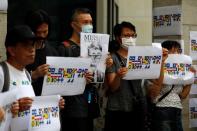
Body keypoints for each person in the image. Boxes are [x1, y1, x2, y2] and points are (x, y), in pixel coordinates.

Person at [104, 21, 168, 131]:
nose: (131, 38)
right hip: (117, 110)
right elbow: (113, 88)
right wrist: (119, 75)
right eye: (126, 35)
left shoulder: (141, 56)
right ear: (118, 38)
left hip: (138, 109)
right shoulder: (111, 58)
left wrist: (161, 62)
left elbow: (157, 81)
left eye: (133, 35)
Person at [58, 8, 112, 131]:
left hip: (90, 102)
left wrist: (105, 65)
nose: (89, 25)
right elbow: (59, 80)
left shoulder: (95, 46)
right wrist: (79, 78)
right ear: (73, 24)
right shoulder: (65, 47)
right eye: (85, 22)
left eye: (91, 22)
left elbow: (98, 79)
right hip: (73, 107)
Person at [146, 40, 192, 131]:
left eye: (178, 51)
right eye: (173, 51)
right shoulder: (154, 69)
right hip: (161, 110)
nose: (177, 54)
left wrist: (190, 78)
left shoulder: (180, 71)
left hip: (177, 110)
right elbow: (153, 94)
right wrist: (162, 63)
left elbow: (183, 95)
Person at [0, 25, 36, 130]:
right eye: (26, 45)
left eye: (33, 45)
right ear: (11, 50)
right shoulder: (2, 72)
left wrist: (52, 106)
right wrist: (12, 108)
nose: (32, 49)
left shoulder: (27, 74)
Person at [25, 9, 59, 96]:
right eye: (38, 32)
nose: (42, 36)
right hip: (26, 101)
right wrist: (34, 75)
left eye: (45, 32)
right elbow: (13, 80)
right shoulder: (22, 51)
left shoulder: (52, 51)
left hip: (47, 102)